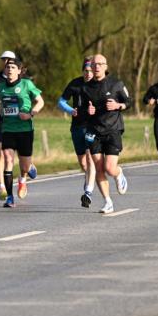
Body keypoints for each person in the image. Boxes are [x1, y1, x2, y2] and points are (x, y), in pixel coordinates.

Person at [0, 58, 44, 208]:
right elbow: (3, 107)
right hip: (8, 129)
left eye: (13, 67)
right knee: (8, 159)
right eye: (8, 67)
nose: (10, 70)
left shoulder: (27, 84)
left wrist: (31, 114)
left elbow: (40, 101)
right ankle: (9, 197)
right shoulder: (1, 87)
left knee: (24, 166)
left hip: (25, 129)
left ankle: (27, 171)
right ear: (5, 71)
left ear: (19, 71)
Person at [81, 54, 130, 214]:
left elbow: (129, 102)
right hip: (94, 131)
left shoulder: (116, 84)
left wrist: (118, 105)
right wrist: (88, 112)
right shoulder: (86, 88)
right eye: (94, 64)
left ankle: (119, 173)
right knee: (98, 168)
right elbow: (82, 111)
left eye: (100, 64)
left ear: (106, 66)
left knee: (109, 168)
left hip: (113, 129)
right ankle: (108, 201)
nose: (96, 67)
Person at [58, 58, 96, 207]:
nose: (88, 74)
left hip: (92, 126)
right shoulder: (75, 84)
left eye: (91, 71)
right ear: (82, 71)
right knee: (83, 163)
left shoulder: (98, 86)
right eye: (86, 71)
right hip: (77, 127)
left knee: (89, 156)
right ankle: (87, 179)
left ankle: (88, 192)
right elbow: (61, 102)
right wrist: (70, 110)